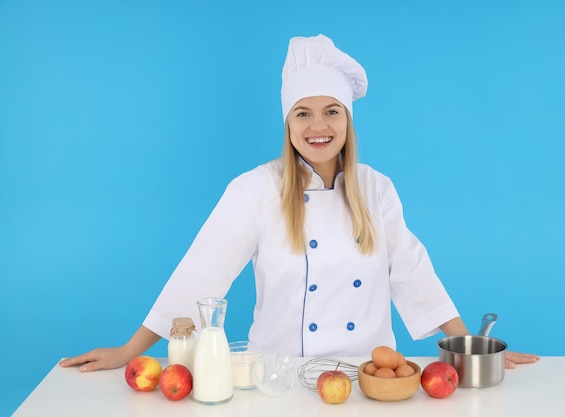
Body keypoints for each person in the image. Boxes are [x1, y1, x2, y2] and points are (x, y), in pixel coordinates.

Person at [60, 34, 539, 372]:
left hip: (368, 378)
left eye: (332, 112)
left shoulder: (377, 189)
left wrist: (467, 347)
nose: (319, 126)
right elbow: (199, 274)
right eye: (303, 113)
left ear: (348, 121)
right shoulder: (254, 190)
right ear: (288, 123)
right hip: (277, 378)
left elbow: (412, 273)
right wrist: (131, 350)